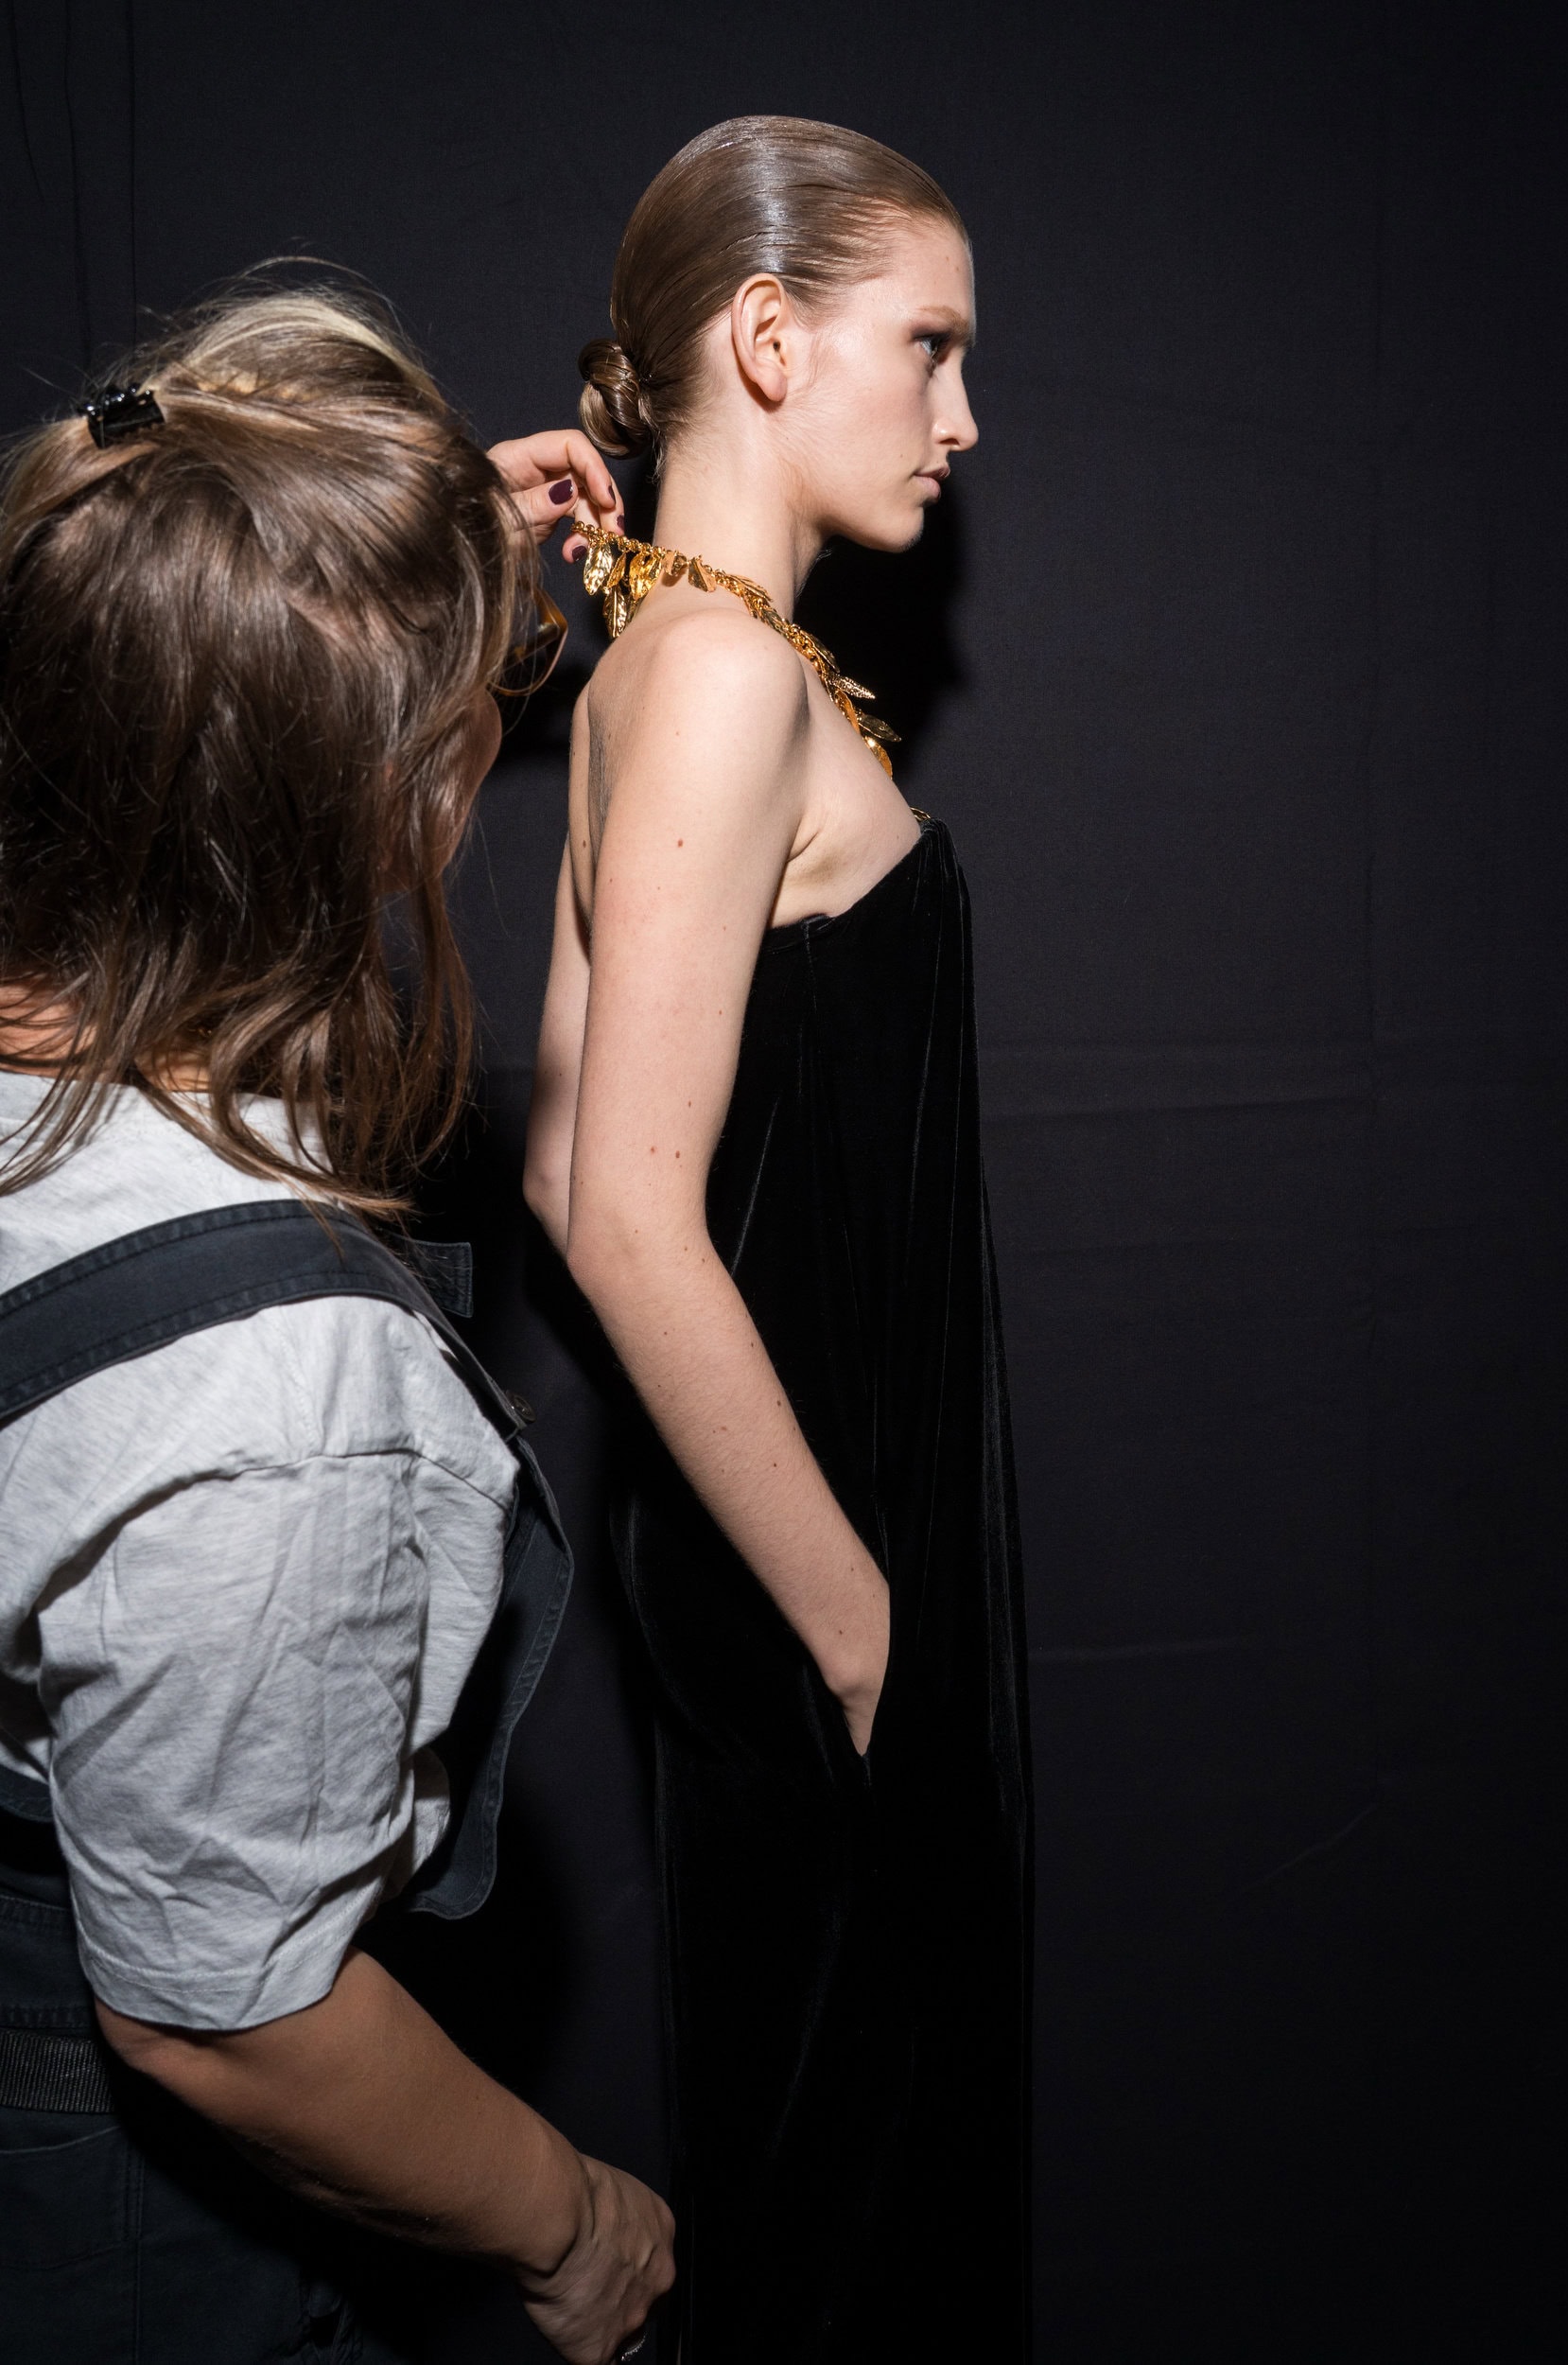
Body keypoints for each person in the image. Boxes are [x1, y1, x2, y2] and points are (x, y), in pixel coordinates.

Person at [0, 286, 673, 2365]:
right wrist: (570, 2219)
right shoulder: (281, 1387)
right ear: (387, 801)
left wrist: (388, 545)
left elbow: (150, 574)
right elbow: (230, 2015)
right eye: (457, 724)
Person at [523, 117, 1031, 2361]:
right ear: (764, 335)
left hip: (760, 1555)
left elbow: (564, 1164)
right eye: (926, 345)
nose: (959, 414)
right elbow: (622, 1212)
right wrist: (864, 1636)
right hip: (817, 1569)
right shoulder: (721, 675)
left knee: (823, 2178)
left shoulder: (665, 661)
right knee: (859, 2219)